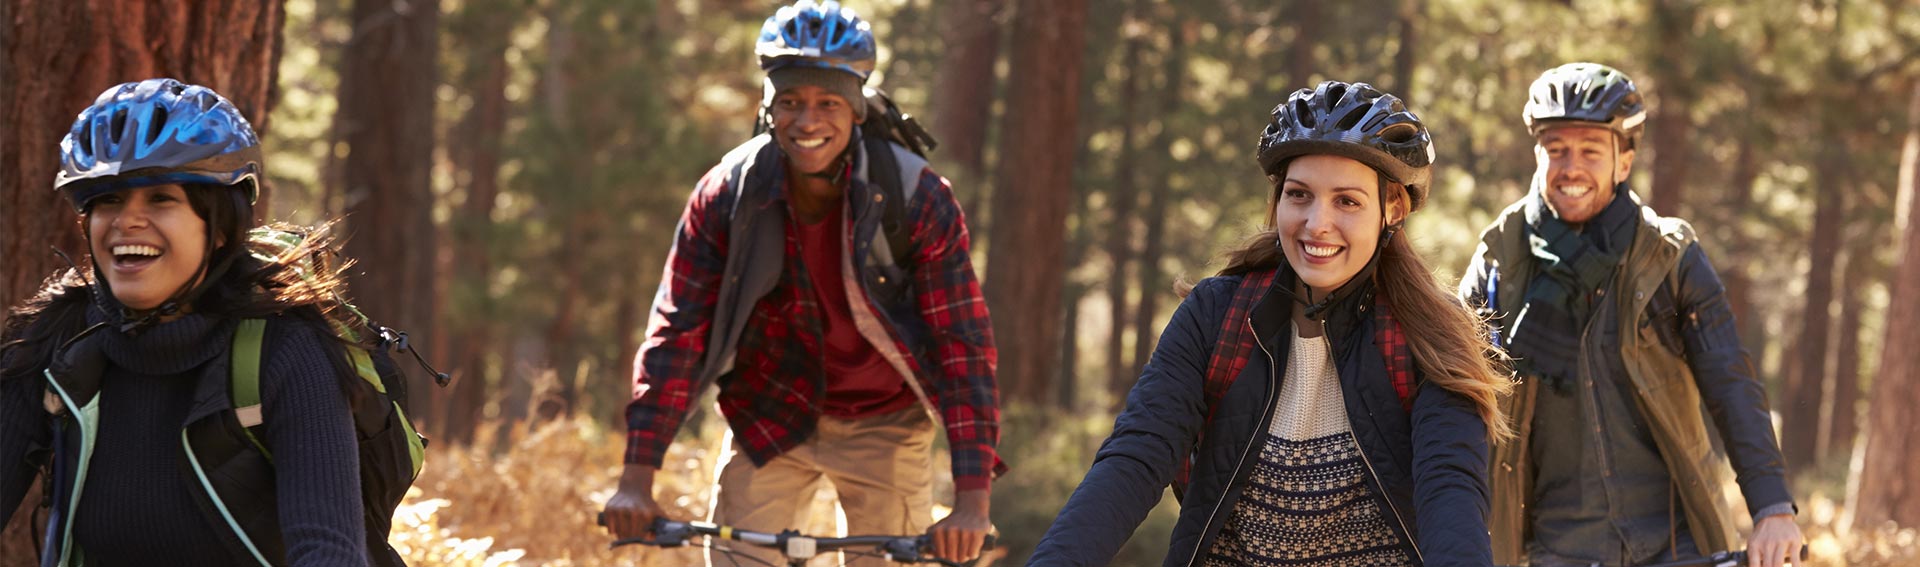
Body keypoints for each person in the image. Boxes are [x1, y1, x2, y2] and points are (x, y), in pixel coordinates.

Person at [1029, 81, 1512, 567]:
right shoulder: (1215, 314)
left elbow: (1450, 487)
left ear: (1392, 210)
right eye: (1299, 195)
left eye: (1347, 201)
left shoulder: (1432, 331)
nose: (1316, 223)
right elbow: (1136, 457)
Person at [599, 1, 1001, 564]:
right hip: (768, 410)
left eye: (828, 103)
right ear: (769, 107)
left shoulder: (917, 197)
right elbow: (676, 335)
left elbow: (963, 347)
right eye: (790, 102)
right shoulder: (727, 195)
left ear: (857, 110)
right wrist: (636, 480)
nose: (807, 121)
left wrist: (971, 501)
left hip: (885, 420)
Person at [0, 78, 382, 566]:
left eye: (160, 198)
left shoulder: (287, 351)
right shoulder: (55, 343)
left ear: (220, 228)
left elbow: (329, 552)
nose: (126, 221)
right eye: (109, 200)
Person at [1459, 62, 1803, 567]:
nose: (1570, 167)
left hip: (1677, 542)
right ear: (1537, 154)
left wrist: (1772, 507)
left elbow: (1730, 381)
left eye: (1590, 151)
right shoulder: (1499, 261)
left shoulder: (1669, 255)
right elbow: (1455, 401)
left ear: (1624, 162)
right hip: (1556, 548)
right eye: (1556, 150)